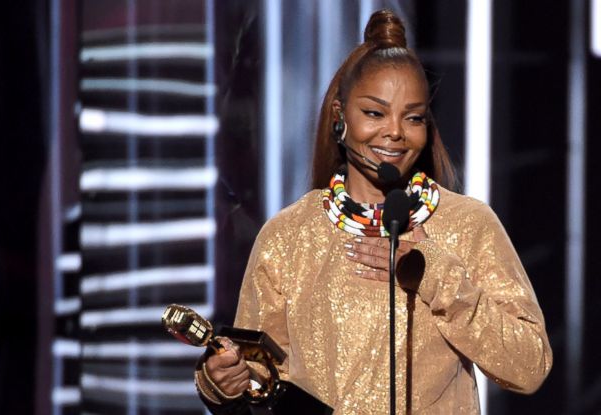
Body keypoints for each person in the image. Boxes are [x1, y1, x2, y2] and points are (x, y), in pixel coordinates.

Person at [195, 9, 552, 414]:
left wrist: (436, 276)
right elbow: (261, 381)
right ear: (339, 116)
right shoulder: (290, 235)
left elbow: (530, 364)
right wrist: (222, 382)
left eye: (413, 117)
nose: (395, 132)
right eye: (374, 113)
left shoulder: (467, 225)